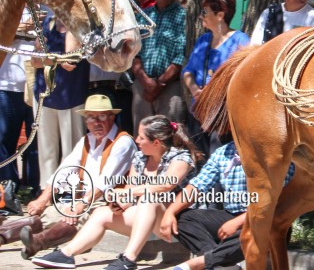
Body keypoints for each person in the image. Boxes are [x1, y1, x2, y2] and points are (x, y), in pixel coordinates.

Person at [31, 115, 200, 270]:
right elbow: (128, 193)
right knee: (101, 212)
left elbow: (165, 185)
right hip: (147, 221)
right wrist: (118, 204)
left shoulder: (181, 158)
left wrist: (129, 193)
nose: (137, 140)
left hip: (178, 224)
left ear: (156, 142)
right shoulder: (140, 158)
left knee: (149, 199)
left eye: (141, 137)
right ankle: (66, 254)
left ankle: (128, 259)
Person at [18, 95, 137, 259]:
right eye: (90, 117)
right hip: (85, 199)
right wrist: (43, 198)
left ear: (112, 117)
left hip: (109, 201)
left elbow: (105, 183)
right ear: (86, 121)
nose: (96, 122)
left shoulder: (123, 142)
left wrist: (80, 204)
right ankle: (3, 235)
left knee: (78, 217)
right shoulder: (86, 140)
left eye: (101, 116)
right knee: (46, 214)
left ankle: (39, 242)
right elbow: (64, 170)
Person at [160, 140, 287, 270]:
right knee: (181, 217)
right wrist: (170, 212)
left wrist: (238, 222)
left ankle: (201, 262)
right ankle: (220, 266)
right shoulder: (224, 152)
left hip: (264, 218)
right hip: (230, 215)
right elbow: (197, 186)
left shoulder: (275, 154)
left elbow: (279, 202)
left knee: (261, 229)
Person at [182, 0, 250, 156]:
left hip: (223, 117)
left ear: (220, 15)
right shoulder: (203, 40)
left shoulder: (241, 41)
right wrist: (194, 90)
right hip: (198, 113)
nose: (201, 16)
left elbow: (243, 78)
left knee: (217, 159)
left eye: (205, 12)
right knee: (198, 159)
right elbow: (188, 71)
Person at [30, 14, 89, 195]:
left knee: (72, 150)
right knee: (47, 149)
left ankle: (69, 192)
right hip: (45, 95)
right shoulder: (47, 22)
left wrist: (52, 58)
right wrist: (58, 59)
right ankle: (46, 192)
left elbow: (71, 58)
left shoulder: (81, 24)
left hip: (72, 96)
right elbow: (35, 61)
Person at [130, 0, 188, 130]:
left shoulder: (184, 17)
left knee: (169, 136)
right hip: (143, 86)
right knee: (142, 138)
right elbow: (134, 52)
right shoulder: (143, 16)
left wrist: (160, 84)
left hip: (170, 87)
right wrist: (144, 81)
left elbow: (181, 56)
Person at [0, 10, 37, 185]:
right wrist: (23, 26)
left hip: (37, 85)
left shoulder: (46, 8)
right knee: (5, 139)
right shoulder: (7, 4)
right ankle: (8, 188)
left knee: (35, 142)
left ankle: (33, 187)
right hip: (7, 85)